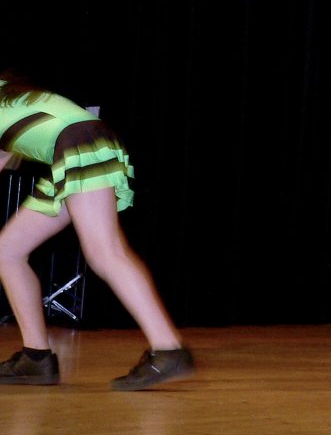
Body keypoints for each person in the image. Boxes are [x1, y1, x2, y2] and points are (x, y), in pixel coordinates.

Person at [0, 74, 193, 389]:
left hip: (80, 146)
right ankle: (36, 358)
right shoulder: (11, 96)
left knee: (106, 252)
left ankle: (168, 348)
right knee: (7, 251)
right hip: (80, 145)